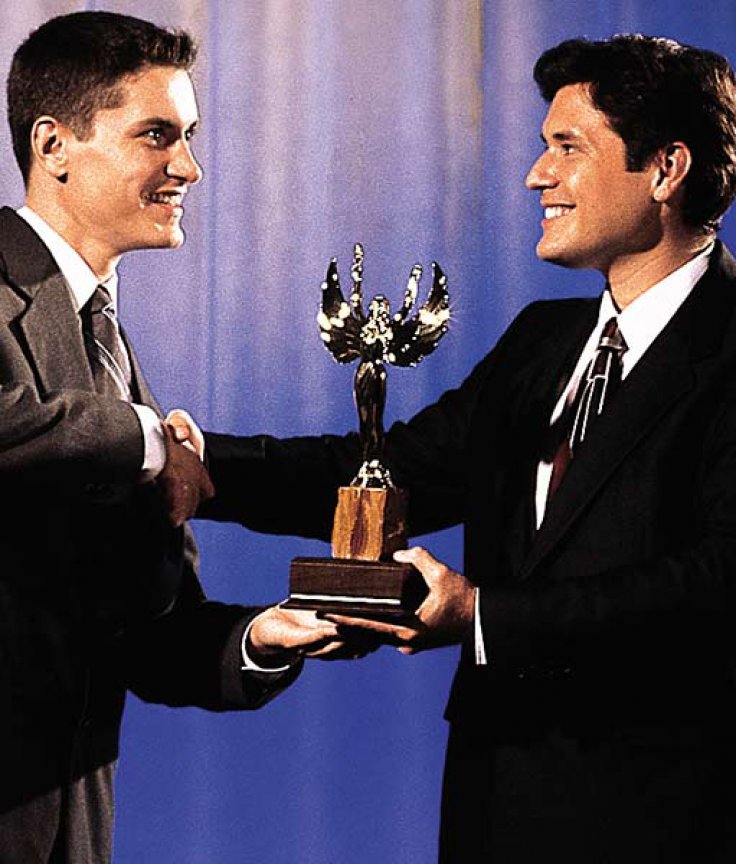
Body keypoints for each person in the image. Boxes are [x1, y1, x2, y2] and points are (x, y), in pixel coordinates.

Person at [184, 34, 736, 862]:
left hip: (670, 816)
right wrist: (199, 468)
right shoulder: (542, 342)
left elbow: (717, 581)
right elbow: (385, 473)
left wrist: (485, 615)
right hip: (497, 800)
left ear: (666, 169)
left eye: (568, 148)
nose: (538, 174)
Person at [0, 11, 362, 863]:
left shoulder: (105, 342)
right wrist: (149, 441)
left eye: (189, 136)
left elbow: (145, 632)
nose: (189, 167)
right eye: (157, 135)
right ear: (54, 146)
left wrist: (260, 639)